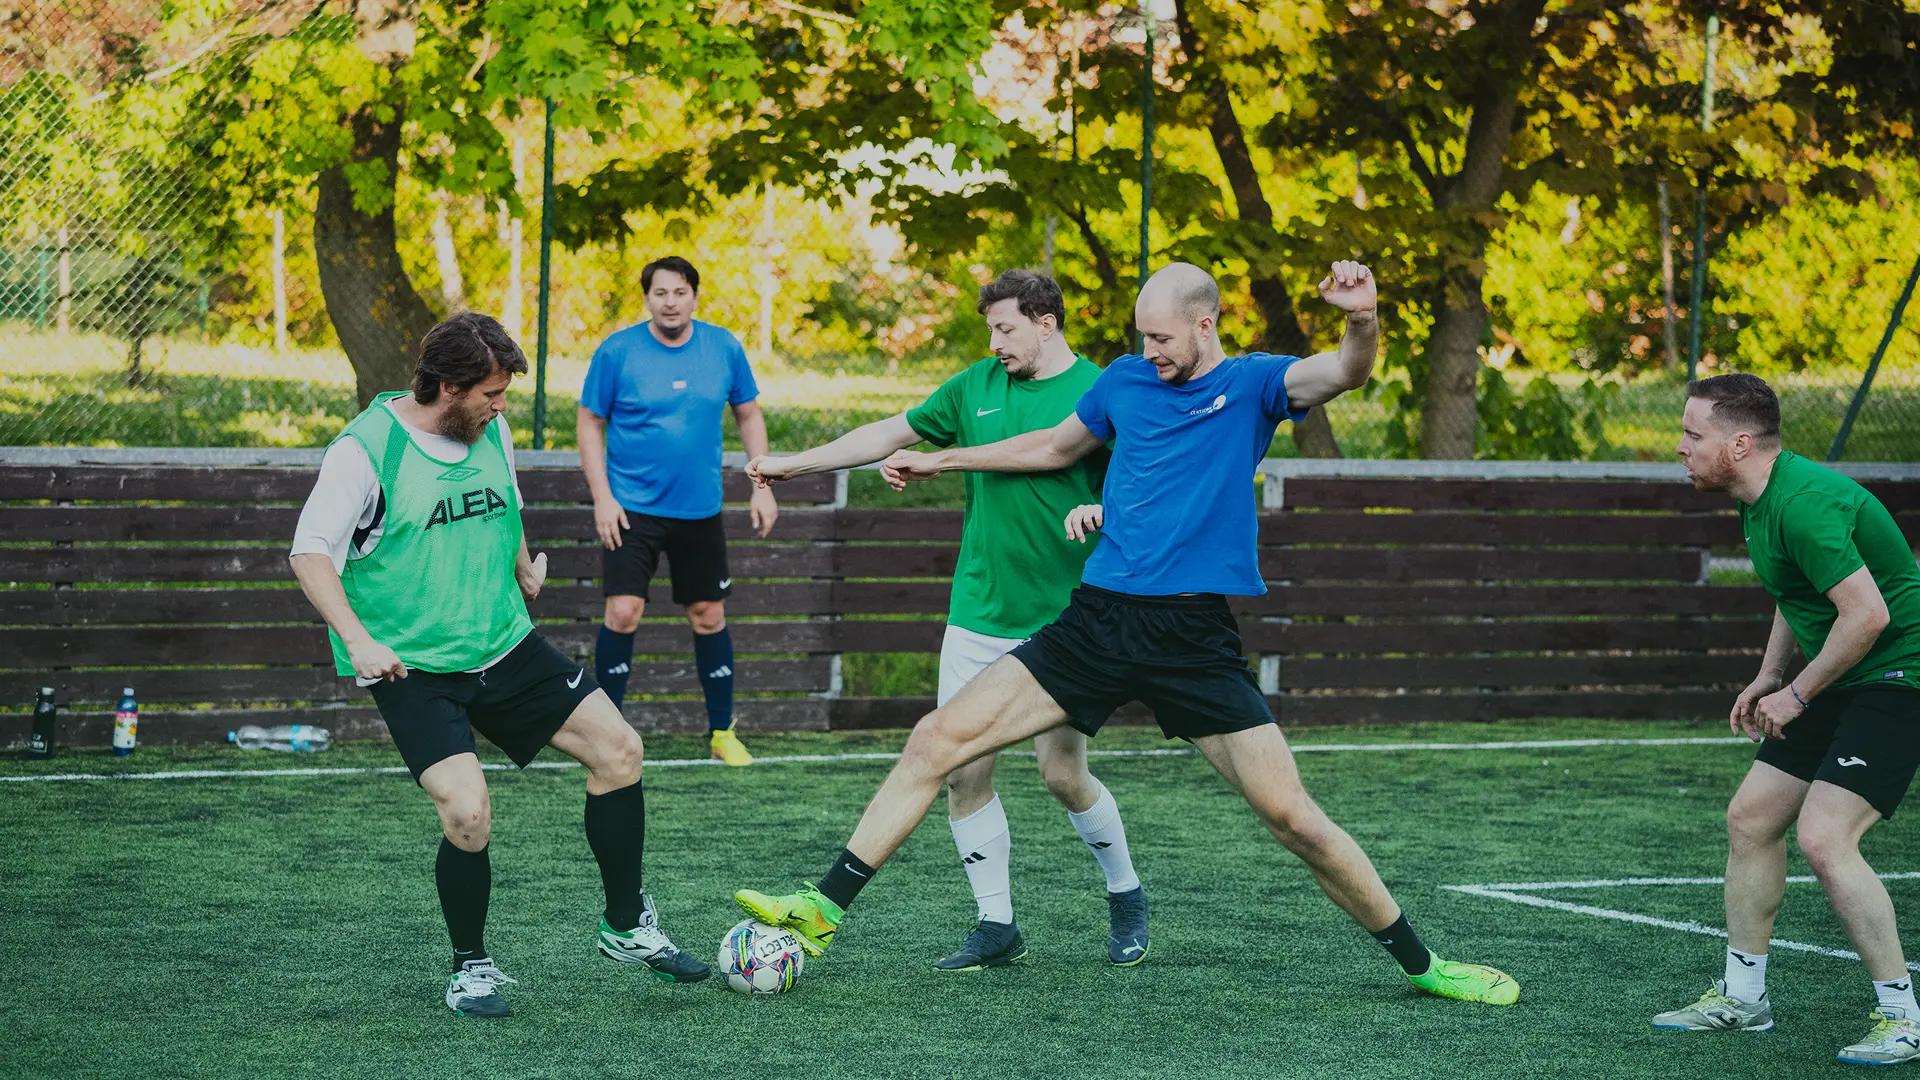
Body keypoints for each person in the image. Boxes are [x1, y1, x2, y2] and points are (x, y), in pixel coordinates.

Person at [733, 261, 1519, 1006]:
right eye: (1142, 336)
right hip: (1098, 620)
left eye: (1161, 338)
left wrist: (1363, 318)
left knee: (1295, 820)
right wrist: (943, 461)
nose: (1148, 351)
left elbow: (1346, 370)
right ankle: (823, 909)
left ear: (1204, 326)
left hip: (1192, 637)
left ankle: (1427, 966)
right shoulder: (1125, 381)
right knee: (936, 740)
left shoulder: (1253, 384)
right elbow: (1052, 447)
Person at [290, 312, 709, 1019]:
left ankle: (625, 925)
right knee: (467, 814)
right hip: (413, 667)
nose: (502, 406)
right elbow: (309, 552)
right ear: (448, 387)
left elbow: (503, 502)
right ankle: (471, 967)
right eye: (491, 393)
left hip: (504, 644)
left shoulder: (490, 431)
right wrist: (358, 641)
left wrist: (520, 566)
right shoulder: (364, 452)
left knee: (620, 751)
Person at [747, 268, 1150, 971]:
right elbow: (888, 432)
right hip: (978, 612)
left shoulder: (1100, 392)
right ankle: (996, 925)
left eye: (1006, 329)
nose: (995, 343)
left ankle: (1126, 892)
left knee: (1061, 773)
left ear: (1047, 323)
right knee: (962, 772)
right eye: (990, 330)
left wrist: (1105, 510)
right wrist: (793, 465)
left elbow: (1141, 486)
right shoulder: (974, 386)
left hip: (1065, 618)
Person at [1655, 373, 1920, 1066]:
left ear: (1740, 444)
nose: (1680, 447)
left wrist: (1797, 695)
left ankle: (1904, 1019)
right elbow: (1796, 589)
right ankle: (1745, 1000)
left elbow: (1869, 615)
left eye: (1693, 435)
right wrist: (1771, 675)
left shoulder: (1802, 505)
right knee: (1751, 820)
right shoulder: (1760, 498)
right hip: (1841, 666)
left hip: (1900, 674)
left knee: (1825, 838)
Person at [579, 256, 776, 767]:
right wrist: (602, 496)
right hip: (631, 509)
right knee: (623, 612)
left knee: (708, 615)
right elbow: (589, 421)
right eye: (661, 293)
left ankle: (722, 733)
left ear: (695, 296)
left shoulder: (723, 347)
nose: (671, 302)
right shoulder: (617, 351)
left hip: (699, 510)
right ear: (647, 298)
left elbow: (748, 414)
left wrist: (762, 485)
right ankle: (607, 736)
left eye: (680, 292)